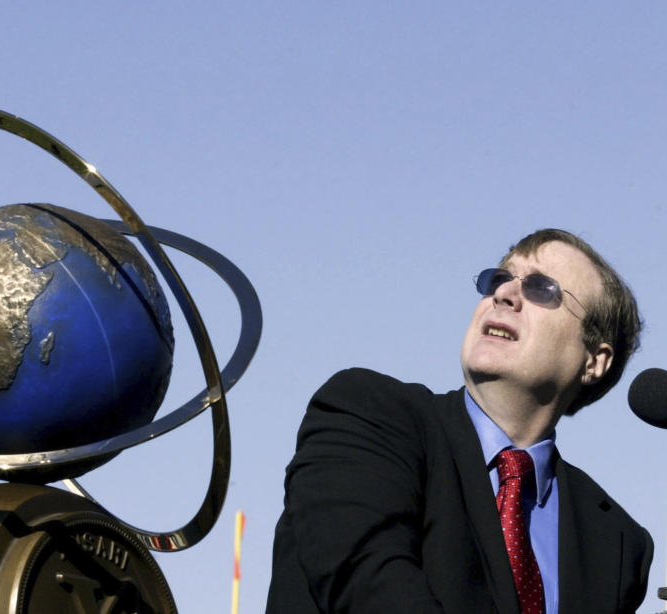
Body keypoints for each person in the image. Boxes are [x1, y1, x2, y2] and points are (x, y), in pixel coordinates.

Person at [266, 229, 653, 614]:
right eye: (498, 280)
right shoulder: (368, 412)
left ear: (594, 361)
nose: (504, 294)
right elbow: (369, 583)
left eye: (540, 288)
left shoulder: (618, 541)